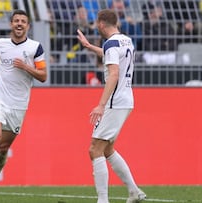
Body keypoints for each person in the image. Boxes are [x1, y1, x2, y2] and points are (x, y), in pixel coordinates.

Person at [0, 9, 47, 203]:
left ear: (28, 26)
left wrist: (26, 67)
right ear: (11, 24)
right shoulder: (1, 43)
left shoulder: (35, 48)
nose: (19, 24)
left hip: (18, 104)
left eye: (23, 21)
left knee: (4, 148)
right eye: (16, 21)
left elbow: (43, 76)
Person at [77, 9, 146, 203]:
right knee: (107, 149)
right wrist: (90, 46)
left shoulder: (110, 43)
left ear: (100, 24)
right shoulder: (126, 40)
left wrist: (100, 105)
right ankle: (134, 191)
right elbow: (113, 55)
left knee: (94, 149)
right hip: (126, 99)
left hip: (115, 102)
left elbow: (113, 74)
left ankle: (103, 200)